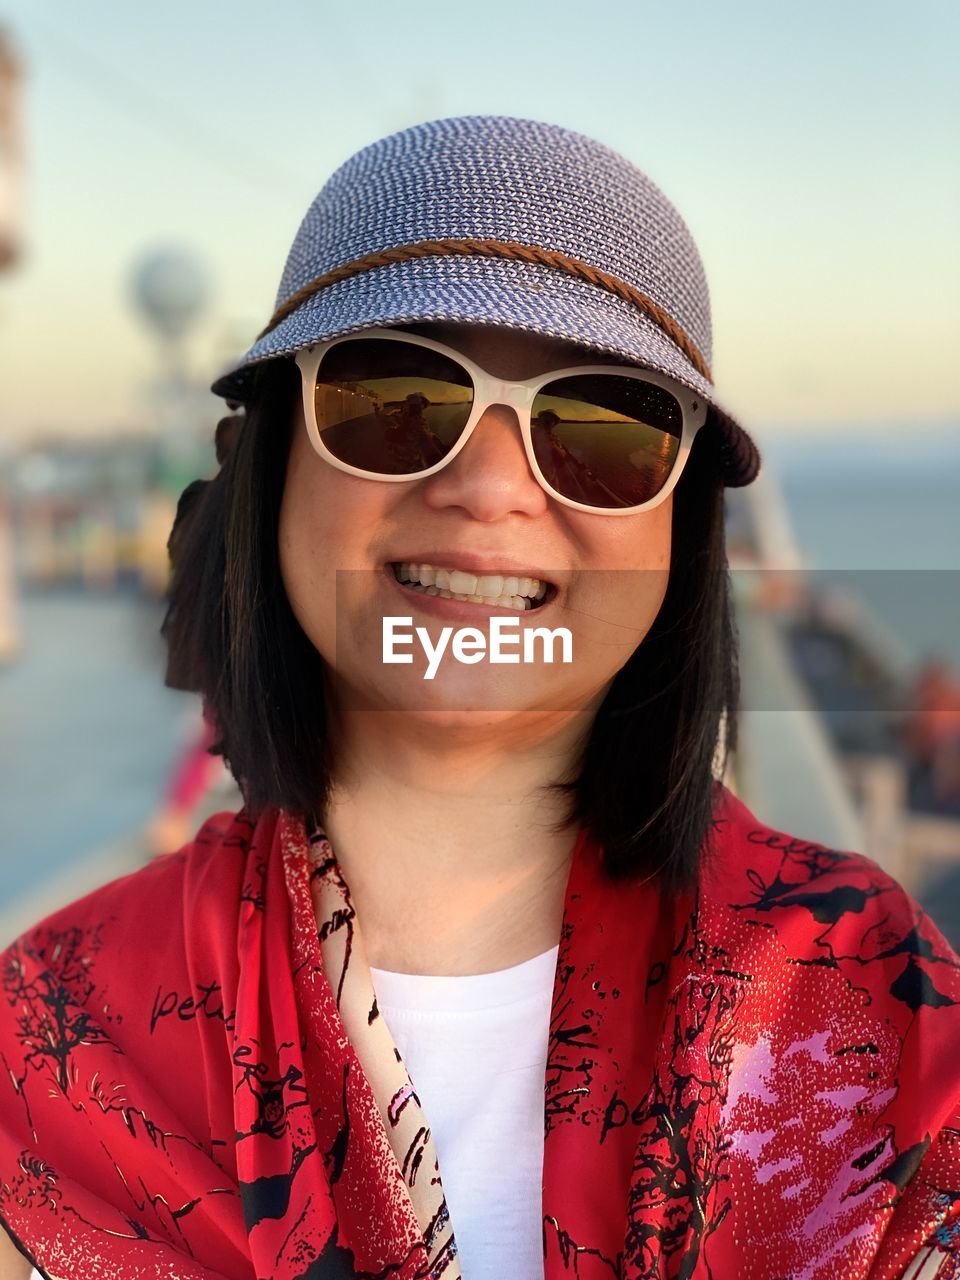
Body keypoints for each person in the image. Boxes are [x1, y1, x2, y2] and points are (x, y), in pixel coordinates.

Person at [2, 115, 959, 1280]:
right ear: (270, 467)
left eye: (602, 426)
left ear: (683, 525)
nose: (491, 485)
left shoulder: (874, 997)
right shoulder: (48, 1033)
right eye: (392, 392)